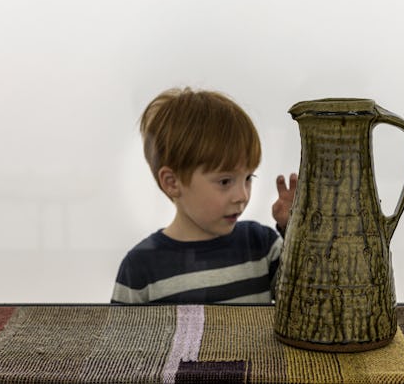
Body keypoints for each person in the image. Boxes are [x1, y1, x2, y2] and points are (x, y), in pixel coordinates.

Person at [111, 87, 297, 304]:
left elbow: (310, 301)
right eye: (225, 181)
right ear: (172, 183)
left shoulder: (263, 246)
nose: (242, 195)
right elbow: (121, 338)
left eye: (248, 178)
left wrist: (296, 228)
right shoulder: (140, 268)